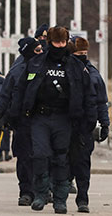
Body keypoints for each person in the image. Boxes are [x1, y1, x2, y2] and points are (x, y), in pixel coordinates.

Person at [15, 26, 95, 214]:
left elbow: (88, 94)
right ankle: (41, 194)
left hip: (65, 118)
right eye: (56, 42)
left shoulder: (75, 66)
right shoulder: (36, 63)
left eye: (62, 42)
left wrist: (90, 120)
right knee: (40, 155)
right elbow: (22, 88)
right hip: (40, 117)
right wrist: (15, 114)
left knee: (61, 159)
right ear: (49, 42)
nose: (59, 46)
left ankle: (60, 199)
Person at [0, 36, 41, 207]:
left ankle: (43, 190)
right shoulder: (17, 71)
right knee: (24, 158)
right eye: (36, 50)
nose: (41, 52)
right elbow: (5, 95)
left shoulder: (46, 67)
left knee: (43, 155)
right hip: (22, 121)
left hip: (42, 119)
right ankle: (26, 191)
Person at [67, 36, 108, 213]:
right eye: (78, 53)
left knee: (82, 163)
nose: (82, 56)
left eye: (84, 53)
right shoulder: (64, 71)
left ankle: (83, 198)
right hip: (64, 125)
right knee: (62, 162)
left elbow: (101, 101)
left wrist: (105, 124)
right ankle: (59, 191)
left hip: (85, 125)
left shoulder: (93, 74)